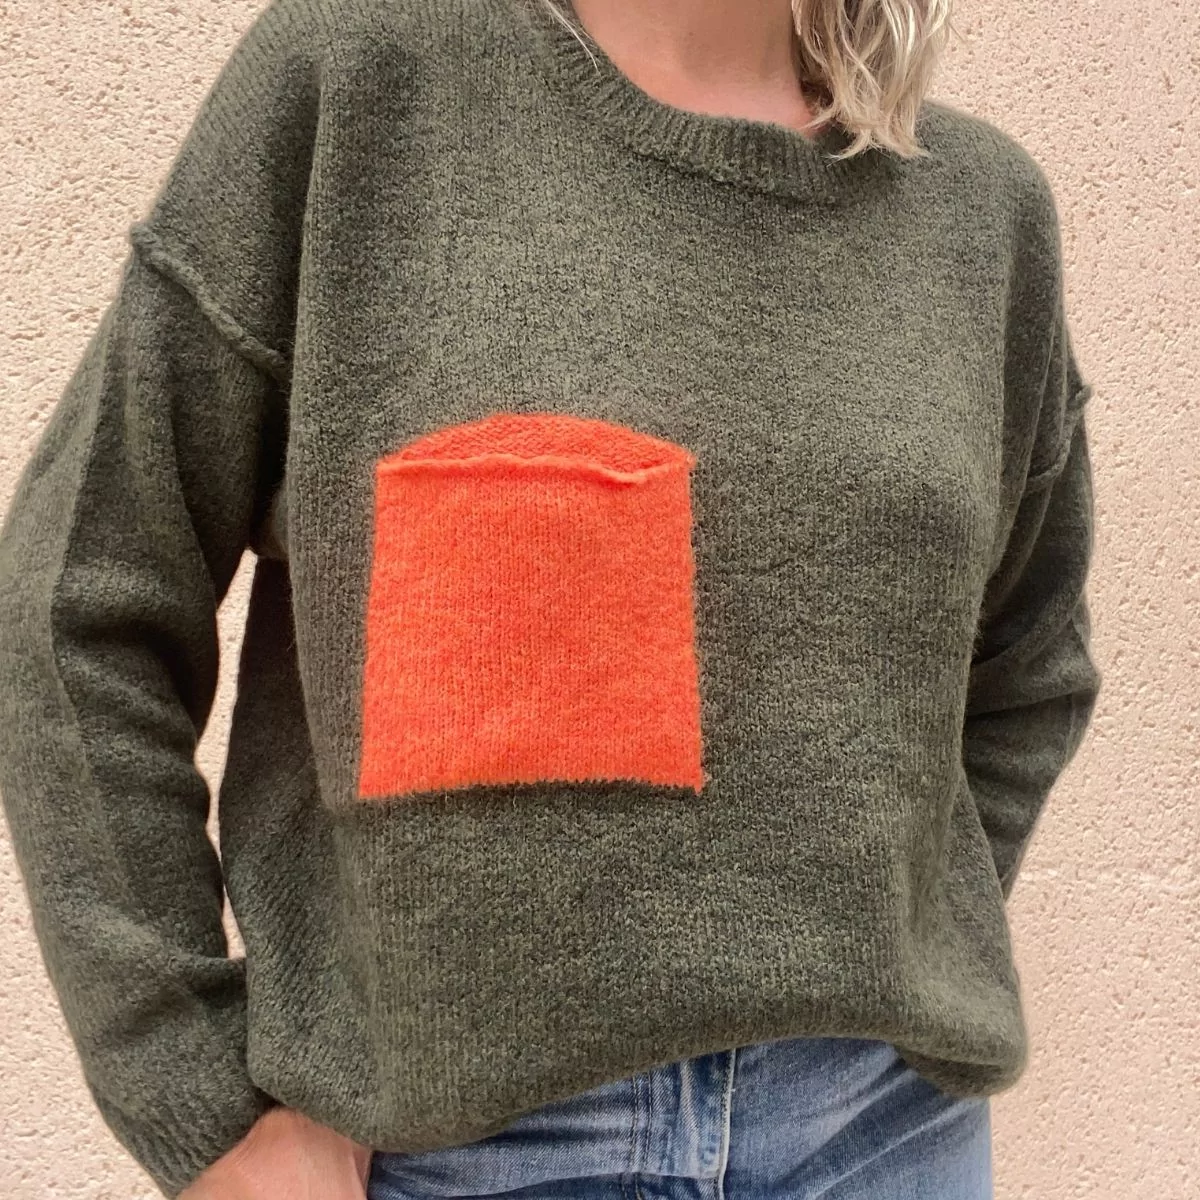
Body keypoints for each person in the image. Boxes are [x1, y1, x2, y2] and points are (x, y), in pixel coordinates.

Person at [0, 0, 1103, 1197]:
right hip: (457, 1161)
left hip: (878, 1137)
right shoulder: (360, 83)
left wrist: (909, 933)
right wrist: (198, 1103)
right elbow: (74, 601)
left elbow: (1031, 663)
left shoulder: (981, 212)